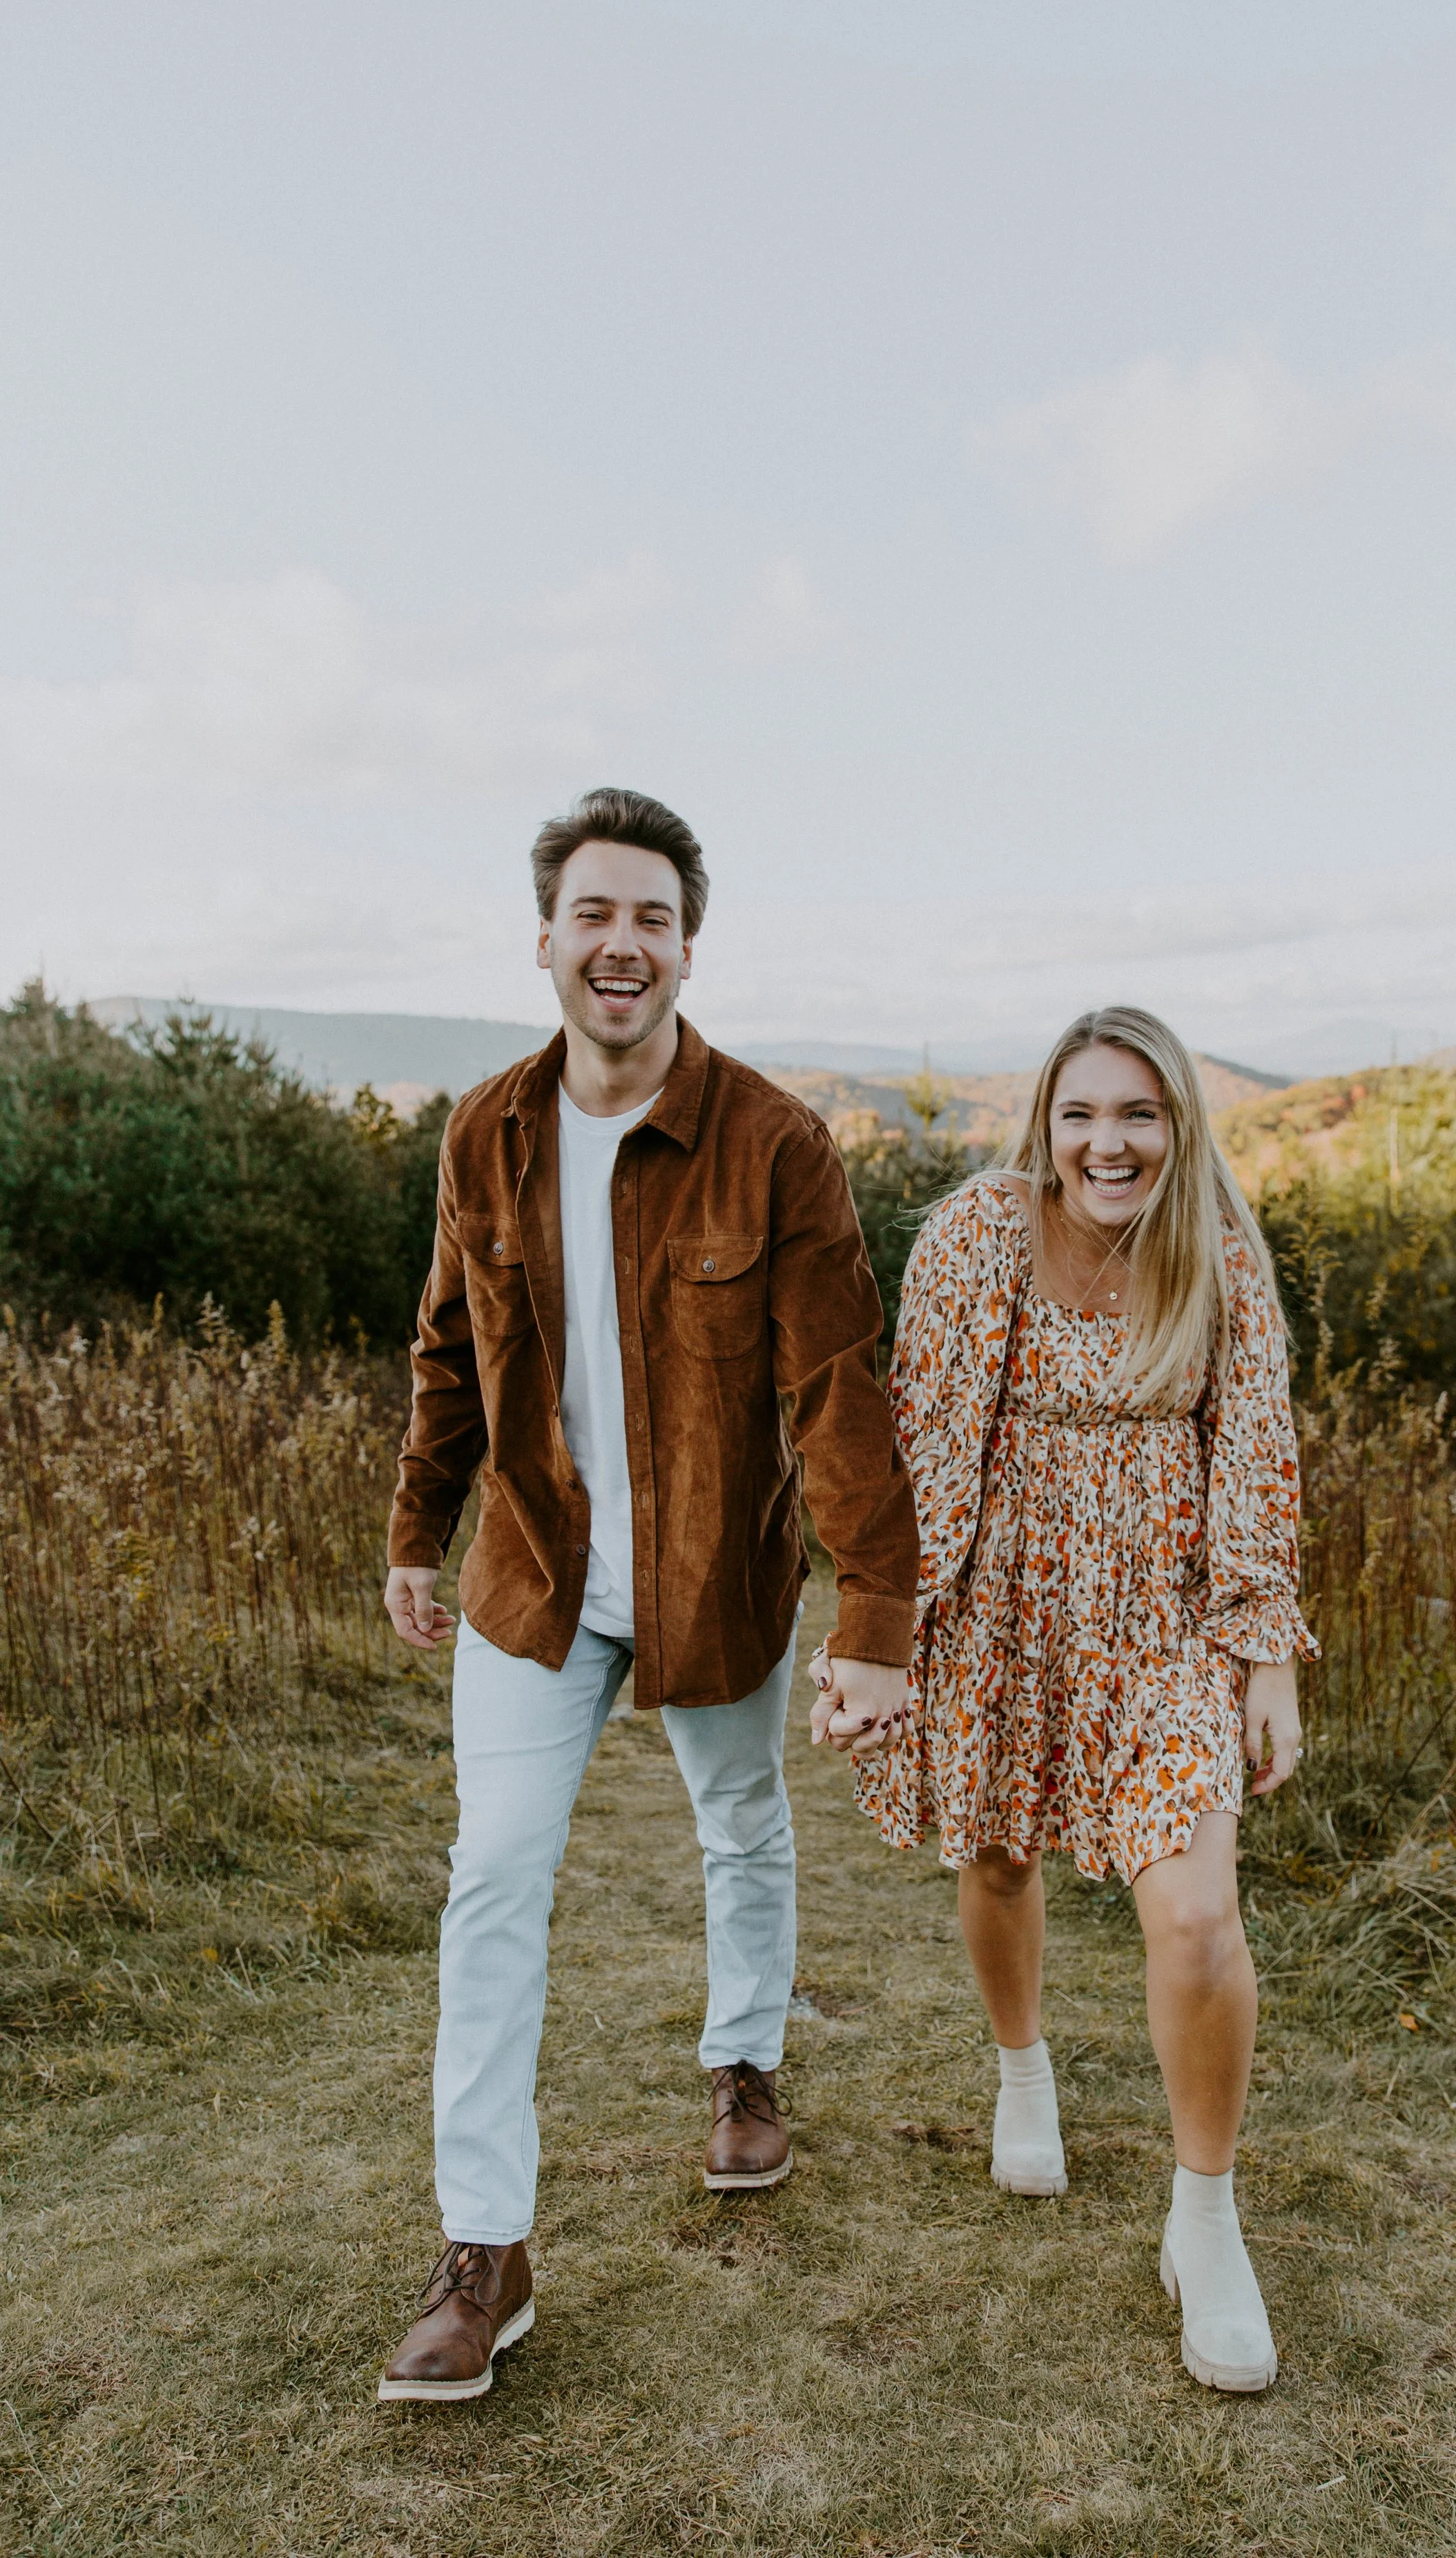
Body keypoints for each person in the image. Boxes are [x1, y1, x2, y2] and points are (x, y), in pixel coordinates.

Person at [378, 787, 915, 2405]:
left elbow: (837, 1388)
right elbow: (443, 1349)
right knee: (491, 1879)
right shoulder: (486, 1130)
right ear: (546, 938)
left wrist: (875, 1615)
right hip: (533, 1579)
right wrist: (419, 1526)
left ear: (689, 946)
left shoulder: (774, 1144)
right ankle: (486, 2250)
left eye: (654, 920)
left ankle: (743, 2064)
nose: (624, 946)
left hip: (714, 1577)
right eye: (595, 916)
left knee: (740, 1822)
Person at [827, 1005, 1316, 2394]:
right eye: (1083, 1114)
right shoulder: (973, 1235)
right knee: (993, 1853)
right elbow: (917, 1436)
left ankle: (1204, 2221)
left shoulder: (1215, 1249)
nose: (1109, 1142)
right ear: (1044, 1124)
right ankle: (1022, 2068)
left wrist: (1262, 1652)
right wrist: (882, 1636)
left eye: (1139, 1115)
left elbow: (1256, 1448)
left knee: (1199, 1914)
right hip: (1004, 1600)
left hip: (1165, 1617)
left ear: (1176, 1127)